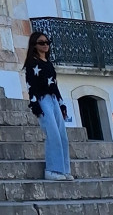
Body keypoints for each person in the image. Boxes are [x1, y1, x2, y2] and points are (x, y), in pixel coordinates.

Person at [24, 30, 73, 181]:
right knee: (53, 135)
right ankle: (52, 170)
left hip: (53, 99)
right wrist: (34, 104)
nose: (45, 45)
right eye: (41, 43)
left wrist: (62, 104)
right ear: (35, 45)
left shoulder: (49, 64)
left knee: (62, 135)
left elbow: (55, 86)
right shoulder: (32, 63)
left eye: (47, 42)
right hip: (42, 99)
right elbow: (30, 85)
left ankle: (64, 169)